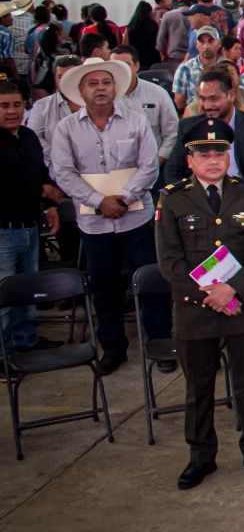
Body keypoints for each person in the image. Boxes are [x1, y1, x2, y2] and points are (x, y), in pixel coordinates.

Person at [153, 119, 244, 490]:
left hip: (243, 306)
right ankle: (201, 456)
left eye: (219, 153)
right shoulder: (173, 198)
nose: (212, 160)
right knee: (198, 388)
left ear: (228, 156)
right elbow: (169, 261)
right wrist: (211, 295)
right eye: (203, 154)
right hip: (195, 310)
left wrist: (232, 290)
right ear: (189, 160)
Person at [50, 58, 167, 374]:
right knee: (104, 288)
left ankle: (161, 342)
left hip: (136, 218)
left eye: (106, 82)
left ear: (115, 87)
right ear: (81, 90)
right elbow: (64, 173)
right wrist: (99, 201)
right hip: (94, 223)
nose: (100, 89)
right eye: (93, 83)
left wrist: (124, 198)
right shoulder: (66, 129)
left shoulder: (136, 121)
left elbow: (149, 166)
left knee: (150, 280)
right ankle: (113, 348)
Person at [0, 81, 61, 355]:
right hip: (4, 230)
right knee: (4, 295)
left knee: (28, 291)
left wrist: (50, 204)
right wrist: (40, 190)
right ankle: (3, 353)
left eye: (16, 104)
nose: (12, 111)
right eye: (4, 106)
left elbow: (41, 174)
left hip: (30, 226)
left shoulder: (28, 136)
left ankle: (26, 341)